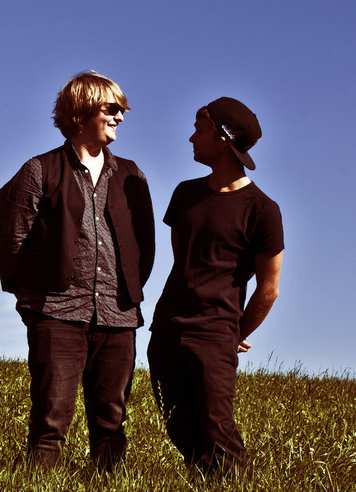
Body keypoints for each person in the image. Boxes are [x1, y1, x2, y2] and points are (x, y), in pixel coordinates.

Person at [0, 71, 154, 470]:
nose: (119, 117)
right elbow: (13, 241)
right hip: (56, 313)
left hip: (118, 316)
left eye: (122, 110)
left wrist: (127, 289)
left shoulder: (132, 175)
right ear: (81, 111)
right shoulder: (39, 170)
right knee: (50, 419)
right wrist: (33, 301)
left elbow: (145, 247)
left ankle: (108, 483)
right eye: (111, 108)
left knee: (112, 422)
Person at [147, 97, 283, 475]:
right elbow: (184, 261)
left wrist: (234, 333)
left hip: (215, 335)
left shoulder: (263, 210)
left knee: (218, 431)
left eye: (199, 129)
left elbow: (268, 289)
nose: (191, 138)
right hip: (167, 329)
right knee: (178, 425)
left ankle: (241, 482)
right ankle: (203, 481)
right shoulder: (185, 194)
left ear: (223, 138)